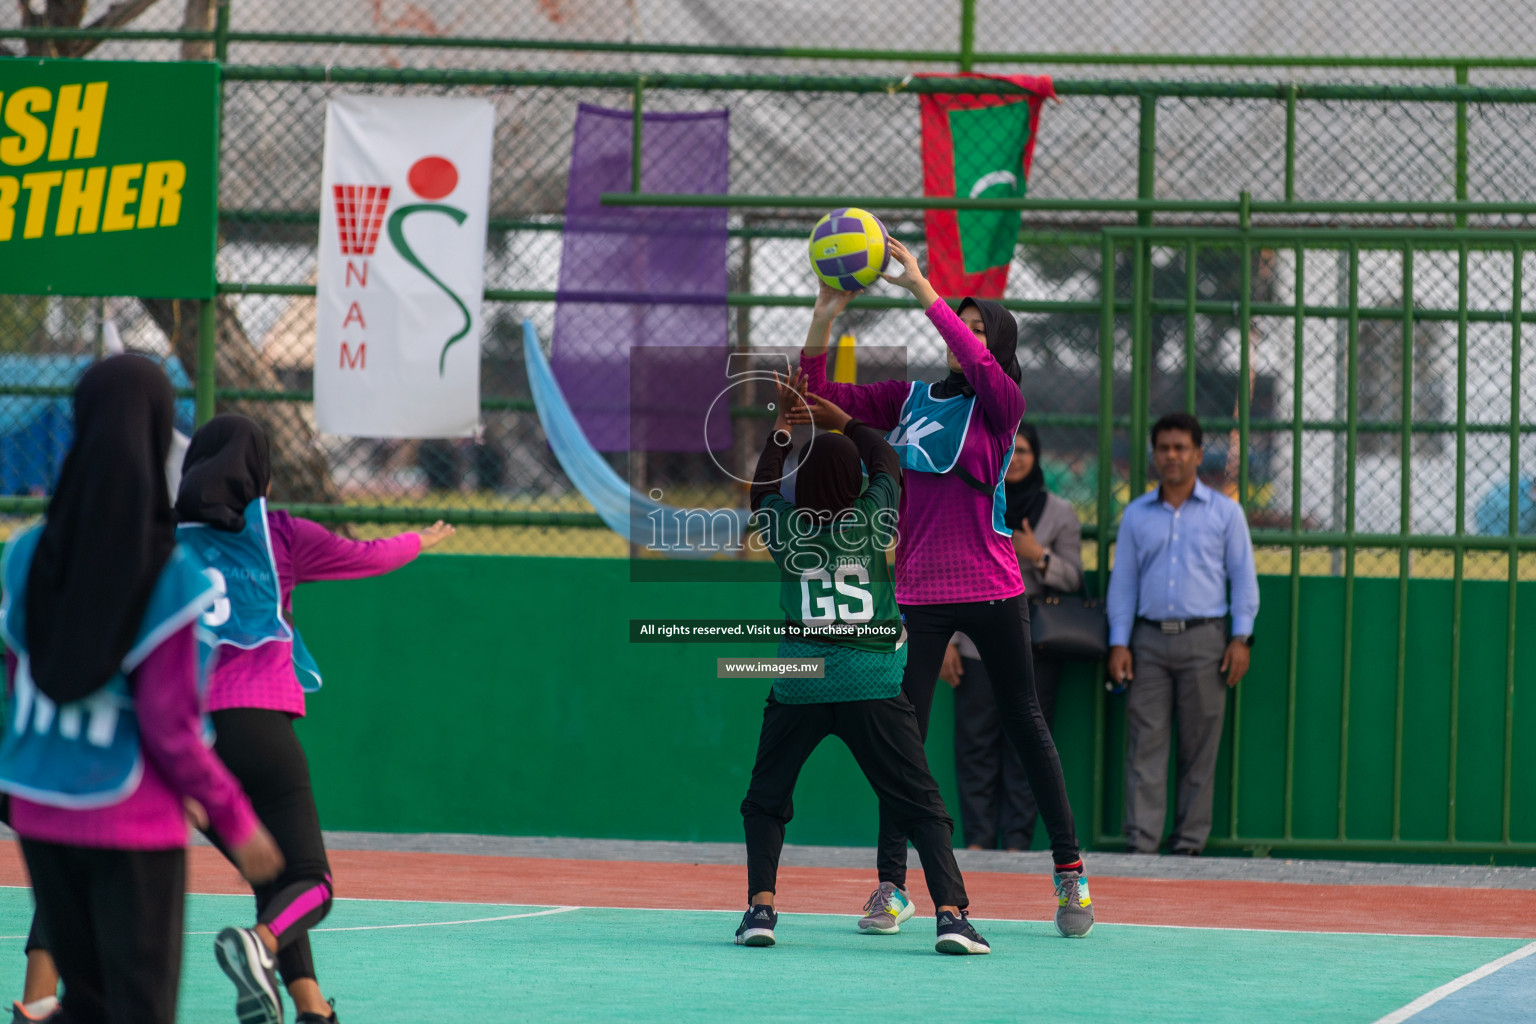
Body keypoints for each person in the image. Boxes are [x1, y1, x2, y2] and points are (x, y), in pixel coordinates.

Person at [799, 239, 1092, 939]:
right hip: (920, 596)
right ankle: (893, 888)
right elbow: (817, 399)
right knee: (900, 740)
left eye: (980, 328)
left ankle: (1071, 873)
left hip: (993, 589)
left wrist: (925, 290)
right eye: (963, 328)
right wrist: (824, 311)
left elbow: (983, 361)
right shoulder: (911, 399)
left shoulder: (1002, 406)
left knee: (1026, 723)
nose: (966, 338)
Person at [0, 356, 283, 1024]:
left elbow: (16, 675)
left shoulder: (24, 556)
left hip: (39, 807)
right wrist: (236, 821)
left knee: (89, 1002)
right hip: (130, 819)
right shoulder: (167, 575)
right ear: (160, 433)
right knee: (138, 1009)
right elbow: (169, 726)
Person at [173, 414, 455, 1024]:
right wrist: (419, 541)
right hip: (259, 725)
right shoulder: (281, 534)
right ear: (260, 472)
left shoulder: (162, 542)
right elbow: (366, 557)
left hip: (188, 740)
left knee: (272, 877)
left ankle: (311, 1008)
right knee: (312, 882)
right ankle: (260, 945)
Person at [736, 371, 990, 955]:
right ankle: (951, 916)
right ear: (853, 481)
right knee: (920, 800)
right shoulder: (872, 520)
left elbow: (761, 489)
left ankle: (761, 910)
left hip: (800, 681)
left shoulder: (785, 526)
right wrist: (843, 420)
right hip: (871, 680)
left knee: (767, 797)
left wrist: (784, 429)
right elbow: (886, 463)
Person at [1106, 412, 1259, 855]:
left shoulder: (1226, 514)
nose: (1172, 456)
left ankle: (1189, 844)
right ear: (1154, 455)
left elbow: (1243, 579)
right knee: (1145, 744)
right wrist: (1119, 641)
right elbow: (1125, 583)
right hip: (1148, 643)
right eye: (1164, 448)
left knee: (1200, 747)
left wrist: (1241, 637)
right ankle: (1142, 843)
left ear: (1196, 453)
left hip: (1206, 641)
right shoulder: (1137, 515)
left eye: (1181, 448)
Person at [943, 422, 1084, 851]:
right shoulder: (972, 503)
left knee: (1027, 749)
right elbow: (948, 573)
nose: (1017, 458)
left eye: (1024, 450)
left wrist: (1037, 556)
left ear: (1036, 456)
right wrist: (948, 640)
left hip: (1033, 647)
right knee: (975, 748)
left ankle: (1017, 843)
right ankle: (980, 842)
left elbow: (1074, 578)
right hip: (974, 645)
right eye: (1010, 450)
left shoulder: (1059, 512)